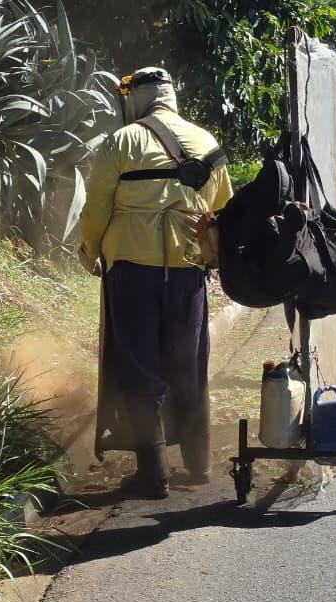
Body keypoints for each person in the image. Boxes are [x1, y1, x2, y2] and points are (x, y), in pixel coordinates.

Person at [77, 67, 233, 500]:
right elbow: (222, 210)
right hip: (187, 272)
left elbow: (95, 210)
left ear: (137, 99)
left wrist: (90, 251)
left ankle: (154, 472)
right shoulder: (206, 142)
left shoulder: (121, 141)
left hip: (131, 271)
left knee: (139, 365)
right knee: (189, 363)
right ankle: (199, 464)